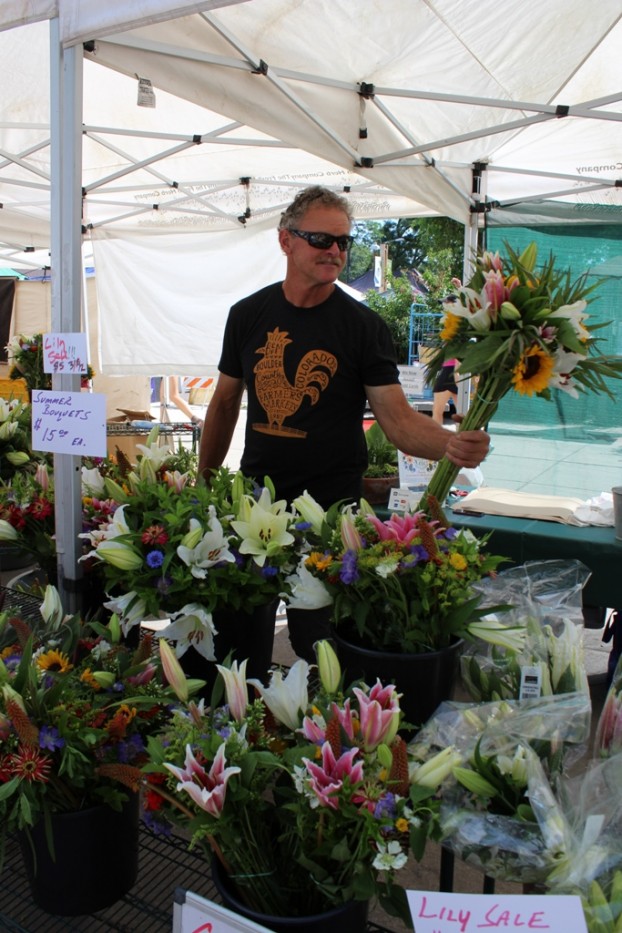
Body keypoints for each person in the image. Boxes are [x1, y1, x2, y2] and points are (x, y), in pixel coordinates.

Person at [198, 185, 490, 662]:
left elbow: (397, 421)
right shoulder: (247, 315)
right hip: (255, 507)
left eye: (343, 242)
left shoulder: (363, 326)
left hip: (330, 515)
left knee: (321, 643)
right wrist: (205, 481)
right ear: (285, 241)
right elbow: (225, 403)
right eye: (320, 239)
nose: (334, 251)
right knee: (240, 634)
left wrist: (451, 444)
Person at [432, 358, 458, 425]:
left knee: (437, 411)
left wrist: (456, 372)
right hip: (456, 369)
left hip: (451, 370)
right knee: (462, 411)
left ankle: (436, 434)